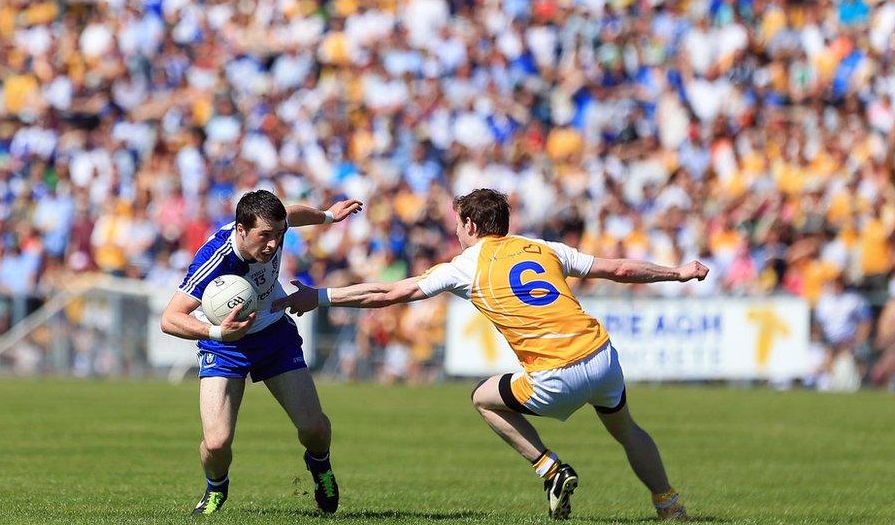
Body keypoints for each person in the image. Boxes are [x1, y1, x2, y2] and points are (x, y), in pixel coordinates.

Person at [273, 188, 707, 521]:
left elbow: (391, 292)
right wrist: (679, 272)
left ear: (471, 226)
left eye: (458, 226)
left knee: (483, 398)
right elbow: (620, 269)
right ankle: (669, 505)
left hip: (554, 373)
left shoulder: (467, 263)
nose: (457, 234)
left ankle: (549, 467)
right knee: (626, 428)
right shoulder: (543, 248)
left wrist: (322, 296)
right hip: (600, 355)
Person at [160, 189, 362, 515]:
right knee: (216, 443)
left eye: (278, 235)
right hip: (224, 345)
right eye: (264, 236)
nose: (272, 244)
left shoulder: (275, 228)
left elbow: (290, 214)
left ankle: (320, 466)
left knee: (316, 429)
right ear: (241, 230)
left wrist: (327, 216)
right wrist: (217, 332)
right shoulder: (216, 257)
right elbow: (170, 318)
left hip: (272, 334)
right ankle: (216, 487)